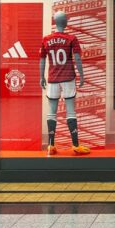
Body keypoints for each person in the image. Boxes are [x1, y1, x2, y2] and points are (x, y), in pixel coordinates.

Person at [40, 11, 90, 156]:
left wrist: (41, 77)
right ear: (65, 22)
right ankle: (75, 145)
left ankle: (51, 145)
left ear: (55, 21)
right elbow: (77, 59)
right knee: (71, 111)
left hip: (53, 78)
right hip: (68, 78)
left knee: (52, 112)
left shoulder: (46, 39)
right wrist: (82, 75)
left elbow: (42, 60)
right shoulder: (71, 38)